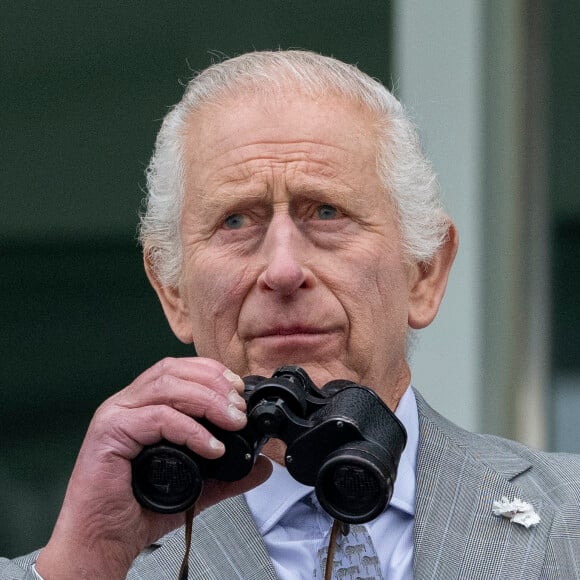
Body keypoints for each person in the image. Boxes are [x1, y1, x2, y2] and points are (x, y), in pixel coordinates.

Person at [2, 50, 579, 579]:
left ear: (424, 272)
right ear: (174, 291)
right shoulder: (90, 561)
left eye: (326, 212)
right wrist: (88, 561)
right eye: (236, 221)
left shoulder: (568, 515)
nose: (282, 269)